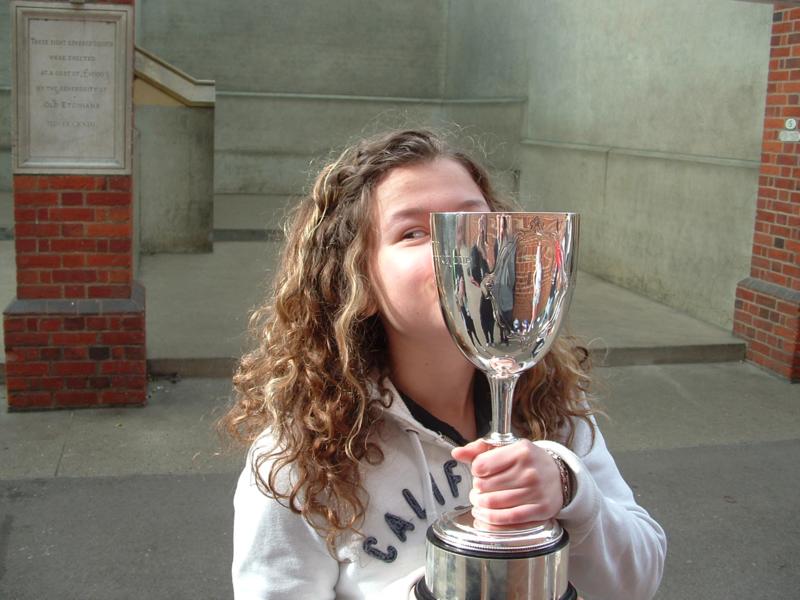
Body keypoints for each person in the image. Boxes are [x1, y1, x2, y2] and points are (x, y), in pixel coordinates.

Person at [220, 129, 666, 600]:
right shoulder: (299, 458)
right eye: (413, 232)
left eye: (473, 222)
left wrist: (571, 492)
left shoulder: (547, 404)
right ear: (358, 283)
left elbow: (637, 583)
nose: (461, 251)